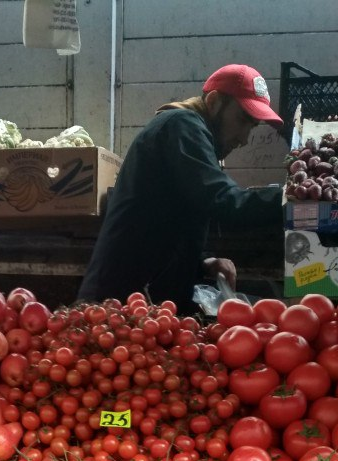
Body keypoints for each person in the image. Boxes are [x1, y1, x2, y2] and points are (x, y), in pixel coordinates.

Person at [78, 64, 285, 315]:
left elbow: (167, 217)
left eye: (252, 127)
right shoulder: (181, 125)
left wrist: (202, 262)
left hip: (144, 300)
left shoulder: (189, 131)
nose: (244, 138)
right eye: (242, 120)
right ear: (214, 101)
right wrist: (289, 198)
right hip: (121, 302)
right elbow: (222, 200)